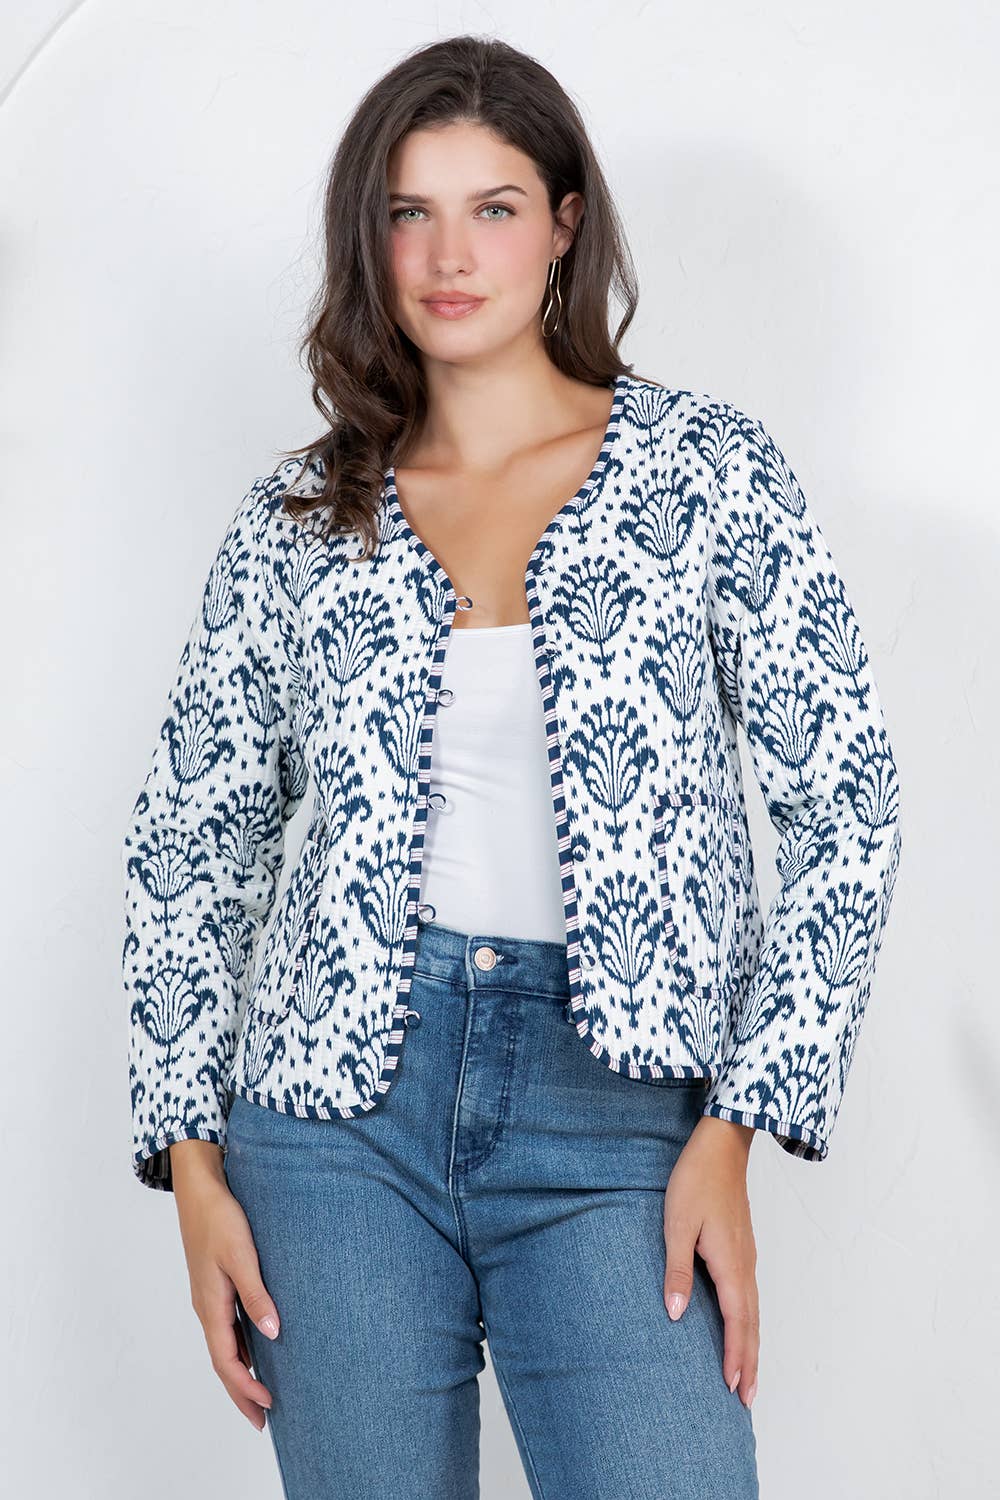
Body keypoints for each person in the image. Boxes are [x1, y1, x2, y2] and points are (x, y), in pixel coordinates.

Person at [121, 34, 902, 1500]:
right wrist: (194, 1169)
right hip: (332, 1127)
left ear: (563, 225)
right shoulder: (298, 518)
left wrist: (736, 1126)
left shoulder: (707, 473)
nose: (448, 256)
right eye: (408, 213)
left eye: (492, 207)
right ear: (368, 241)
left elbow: (846, 807)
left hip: (620, 1117)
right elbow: (191, 839)